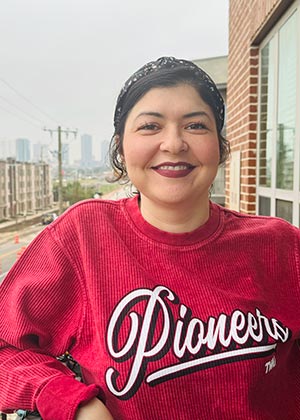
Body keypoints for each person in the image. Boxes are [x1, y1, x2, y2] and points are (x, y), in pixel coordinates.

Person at [0, 56, 299, 420]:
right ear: (121, 150)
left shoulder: (280, 246)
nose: (173, 143)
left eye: (195, 125)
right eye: (150, 126)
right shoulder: (83, 238)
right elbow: (6, 349)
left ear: (219, 148)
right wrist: (72, 402)